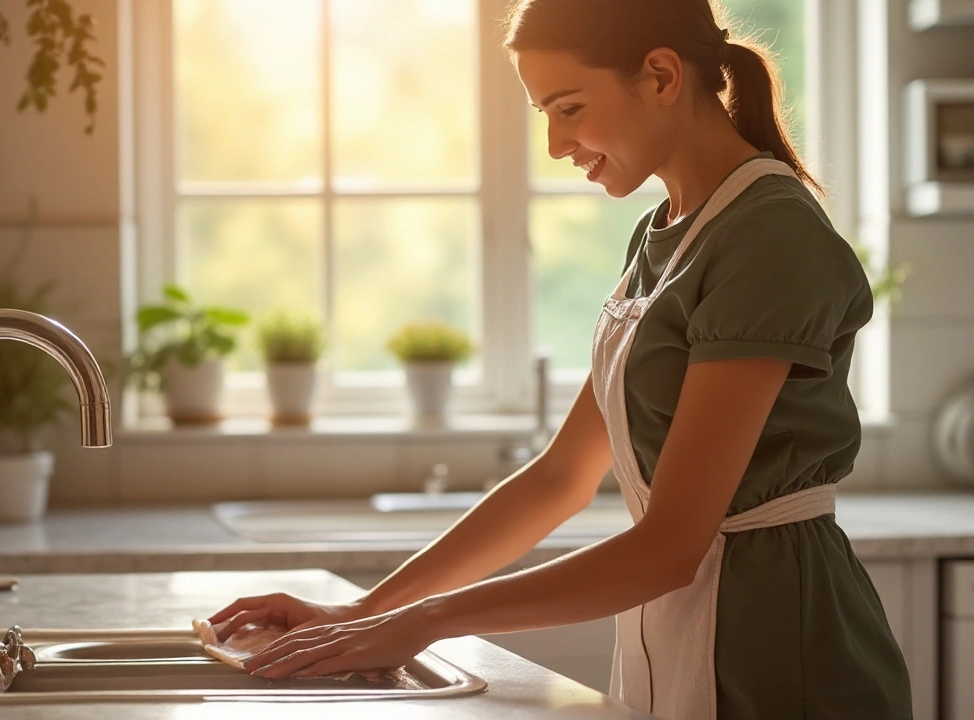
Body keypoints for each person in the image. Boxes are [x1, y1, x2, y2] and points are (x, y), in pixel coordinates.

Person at [207, 1, 913, 717]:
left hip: (781, 653)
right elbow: (559, 477)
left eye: (569, 107)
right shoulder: (664, 233)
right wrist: (364, 609)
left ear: (662, 74)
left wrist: (423, 623)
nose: (554, 143)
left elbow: (671, 543)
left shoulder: (769, 237)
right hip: (677, 632)